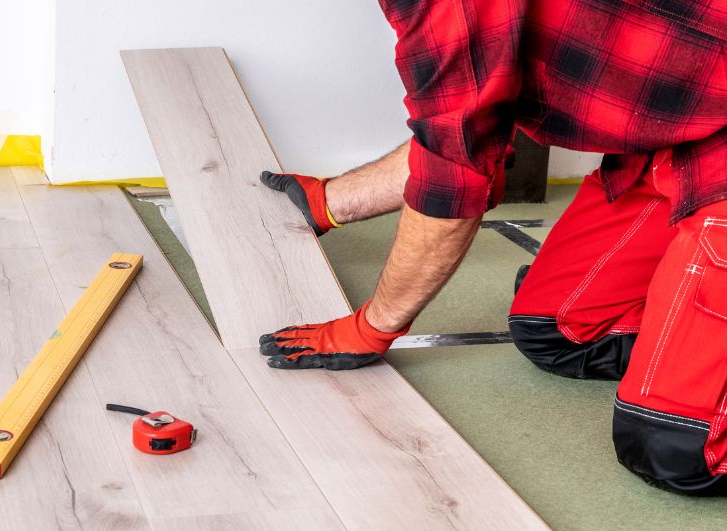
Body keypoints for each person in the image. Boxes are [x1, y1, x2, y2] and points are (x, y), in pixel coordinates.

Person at [259, 0, 726, 493]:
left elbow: (454, 180)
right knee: (558, 331)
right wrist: (330, 203)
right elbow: (461, 131)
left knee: (676, 450)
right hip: (691, 139)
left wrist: (373, 327)